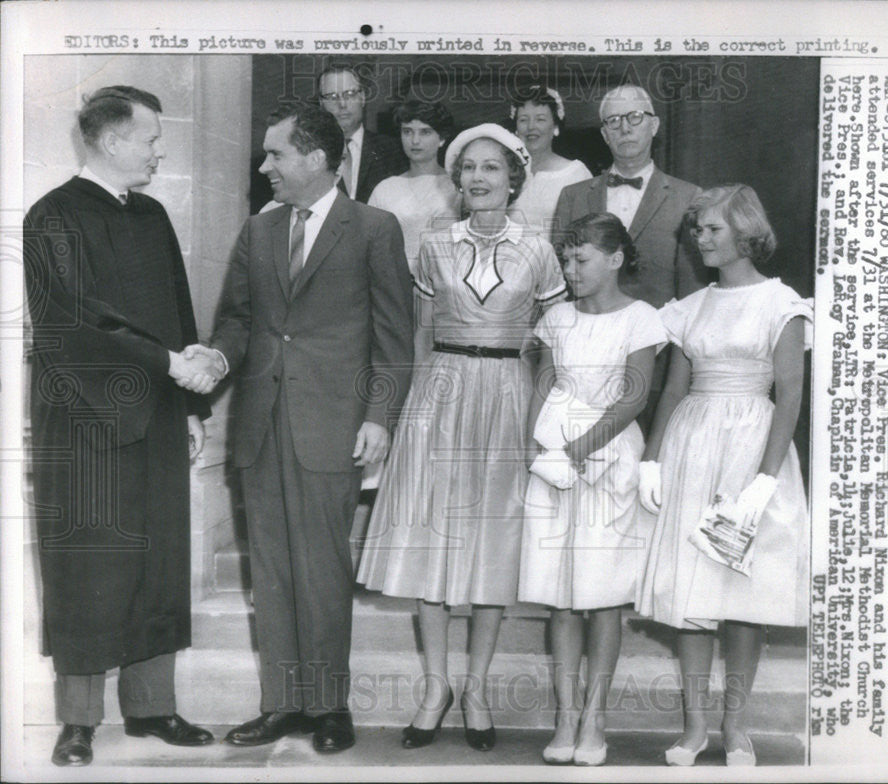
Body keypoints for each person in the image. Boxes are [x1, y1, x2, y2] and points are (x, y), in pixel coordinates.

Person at [185, 103, 413, 754]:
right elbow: (237, 320)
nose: (265, 167)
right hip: (260, 423)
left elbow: (395, 339)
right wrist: (217, 358)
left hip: (332, 424)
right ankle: (283, 703)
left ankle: (329, 705)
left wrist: (378, 417)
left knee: (321, 568)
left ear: (316, 158)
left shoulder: (374, 228)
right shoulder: (257, 232)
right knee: (274, 572)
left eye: (275, 155)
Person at [356, 124, 566, 752]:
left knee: (491, 541)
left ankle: (475, 688)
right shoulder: (433, 247)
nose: (478, 179)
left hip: (508, 395)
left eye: (492, 169)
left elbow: (553, 344)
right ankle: (435, 686)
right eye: (468, 168)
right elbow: (418, 335)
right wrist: (407, 414)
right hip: (439, 395)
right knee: (430, 539)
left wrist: (543, 421)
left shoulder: (540, 250)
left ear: (514, 179)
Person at [23, 85, 215, 767]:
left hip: (159, 410)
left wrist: (193, 402)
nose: (159, 151)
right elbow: (74, 321)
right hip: (83, 419)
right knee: (88, 566)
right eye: (150, 138)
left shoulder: (154, 214)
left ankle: (152, 708)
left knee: (157, 561)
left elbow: (177, 312)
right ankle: (78, 721)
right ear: (110, 141)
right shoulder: (52, 217)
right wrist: (171, 365)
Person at [634, 185, 811, 767]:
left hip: (751, 445)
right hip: (693, 441)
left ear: (744, 232)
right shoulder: (692, 306)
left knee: (740, 593)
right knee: (693, 592)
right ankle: (694, 728)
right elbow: (674, 388)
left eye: (712, 229)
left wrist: (764, 479)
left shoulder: (780, 302)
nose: (701, 239)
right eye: (697, 230)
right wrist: (653, 457)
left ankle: (736, 727)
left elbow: (788, 395)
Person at [519, 213, 668, 766]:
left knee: (602, 595)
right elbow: (544, 385)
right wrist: (537, 451)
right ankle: (565, 715)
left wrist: (581, 448)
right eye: (566, 259)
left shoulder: (642, 319)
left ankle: (595, 718)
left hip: (608, 454)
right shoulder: (556, 317)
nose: (570, 269)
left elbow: (634, 397)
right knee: (560, 596)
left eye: (580, 260)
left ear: (615, 259)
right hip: (555, 458)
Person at [552, 84, 704, 308]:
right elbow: (558, 279)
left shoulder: (688, 197)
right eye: (613, 120)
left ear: (653, 126)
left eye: (635, 117)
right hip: (587, 334)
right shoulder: (573, 196)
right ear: (605, 134)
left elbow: (692, 292)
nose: (624, 128)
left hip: (658, 337)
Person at [368, 100, 461, 275]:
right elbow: (370, 246)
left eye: (425, 132)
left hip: (447, 282)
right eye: (407, 132)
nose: (415, 140)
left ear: (441, 138)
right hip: (395, 282)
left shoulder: (458, 186)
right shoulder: (385, 189)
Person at [319, 62, 408, 203]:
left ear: (363, 97)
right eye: (333, 97)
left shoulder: (393, 151)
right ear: (321, 103)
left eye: (349, 94)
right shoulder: (311, 152)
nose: (342, 104)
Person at [507, 85, 591, 234]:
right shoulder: (504, 172)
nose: (531, 127)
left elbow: (585, 235)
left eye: (540, 119)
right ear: (516, 129)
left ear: (555, 127)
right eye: (523, 120)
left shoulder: (575, 174)